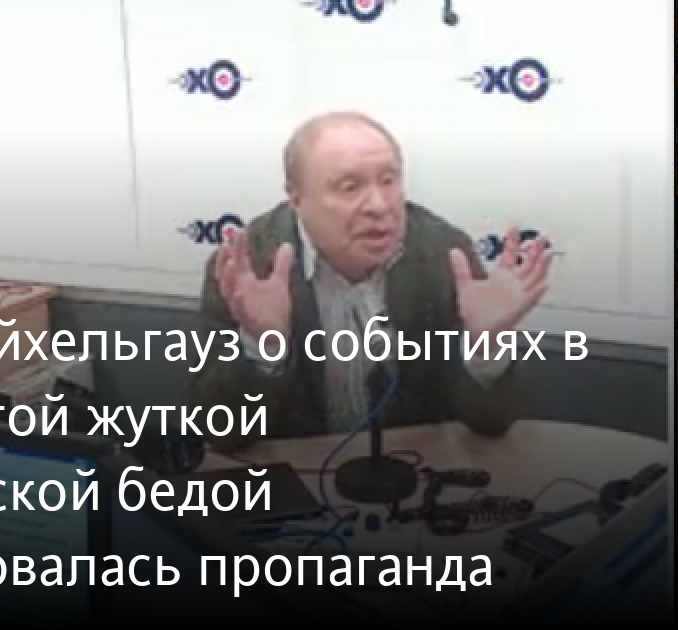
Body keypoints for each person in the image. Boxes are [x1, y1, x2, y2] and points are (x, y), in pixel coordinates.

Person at [187, 111, 551, 452]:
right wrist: (262, 346)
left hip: (411, 473)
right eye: (349, 187)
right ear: (296, 197)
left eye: (389, 181)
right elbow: (218, 432)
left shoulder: (444, 254)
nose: (379, 205)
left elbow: (492, 423)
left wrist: (486, 348)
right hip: (297, 476)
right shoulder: (248, 269)